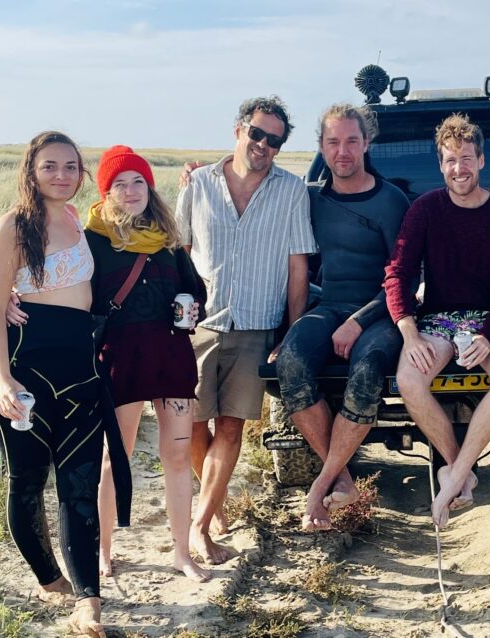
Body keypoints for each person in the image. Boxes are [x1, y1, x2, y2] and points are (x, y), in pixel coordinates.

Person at [8, 146, 211, 581]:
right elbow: (51, 281)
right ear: (106, 191)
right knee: (112, 457)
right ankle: (101, 551)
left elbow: (197, 292)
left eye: (138, 180)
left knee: (177, 454)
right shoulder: (91, 240)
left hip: (171, 356)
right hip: (119, 359)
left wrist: (192, 305)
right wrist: (9, 298)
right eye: (120, 183)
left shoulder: (168, 240)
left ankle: (181, 553)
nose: (131, 190)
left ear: (150, 187)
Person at [0, 131, 132, 637]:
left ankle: (88, 600)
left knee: (80, 487)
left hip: (82, 370)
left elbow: (142, 217)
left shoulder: (77, 220)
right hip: (29, 368)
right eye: (50, 166)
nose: (62, 175)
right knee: (27, 484)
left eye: (71, 166)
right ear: (31, 170)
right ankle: (48, 576)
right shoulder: (12, 228)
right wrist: (3, 380)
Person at [176, 96, 317, 564]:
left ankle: (200, 526)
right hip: (198, 323)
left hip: (257, 325)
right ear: (239, 129)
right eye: (257, 133)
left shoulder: (292, 191)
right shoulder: (197, 183)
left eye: (274, 140)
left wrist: (291, 333)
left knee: (231, 426)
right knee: (193, 424)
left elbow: (299, 267)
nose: (263, 145)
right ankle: (213, 501)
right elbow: (179, 251)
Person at [384, 114, 490, 529]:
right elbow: (398, 272)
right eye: (450, 160)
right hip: (440, 318)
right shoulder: (425, 209)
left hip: (489, 319)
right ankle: (457, 468)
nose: (459, 168)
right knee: (409, 380)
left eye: (466, 158)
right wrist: (409, 331)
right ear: (440, 165)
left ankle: (455, 478)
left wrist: (489, 334)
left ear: (481, 161)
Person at [274, 104, 409, 531]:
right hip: (328, 306)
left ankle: (320, 487)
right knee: (291, 361)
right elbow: (260, 205)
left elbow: (404, 276)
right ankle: (344, 479)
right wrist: (204, 176)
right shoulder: (310, 198)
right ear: (321, 147)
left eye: (352, 140)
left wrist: (359, 320)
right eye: (333, 142)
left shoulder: (391, 201)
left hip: (380, 313)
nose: (343, 150)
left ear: (367, 143)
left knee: (367, 368)